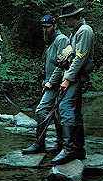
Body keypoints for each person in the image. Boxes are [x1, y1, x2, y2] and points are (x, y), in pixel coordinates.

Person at [51, 2, 95, 165]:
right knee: (75, 111)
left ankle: (69, 148)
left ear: (71, 17)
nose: (64, 22)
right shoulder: (76, 31)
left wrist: (67, 79)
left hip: (75, 77)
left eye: (65, 18)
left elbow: (80, 57)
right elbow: (68, 55)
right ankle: (78, 149)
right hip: (72, 76)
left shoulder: (84, 31)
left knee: (66, 108)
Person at [22, 15, 69, 154]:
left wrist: (51, 82)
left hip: (57, 83)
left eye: (48, 27)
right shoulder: (51, 41)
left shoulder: (62, 40)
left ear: (54, 26)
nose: (45, 29)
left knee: (42, 110)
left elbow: (62, 64)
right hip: (50, 83)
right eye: (44, 27)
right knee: (56, 114)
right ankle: (60, 144)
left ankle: (39, 144)